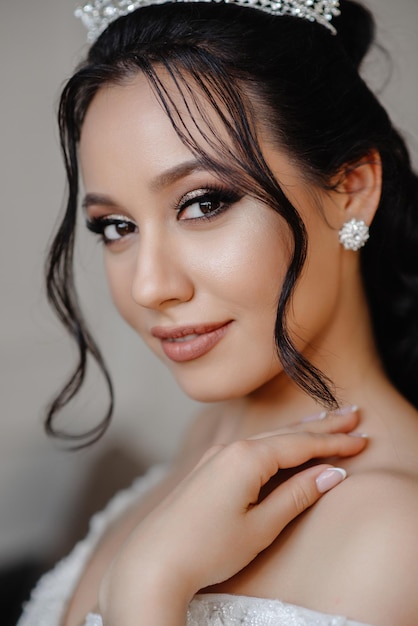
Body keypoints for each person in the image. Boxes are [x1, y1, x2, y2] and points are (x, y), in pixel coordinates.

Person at [17, 0, 418, 624]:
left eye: (203, 203)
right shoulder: (211, 443)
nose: (150, 286)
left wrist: (151, 588)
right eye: (116, 226)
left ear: (351, 189)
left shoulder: (397, 539)